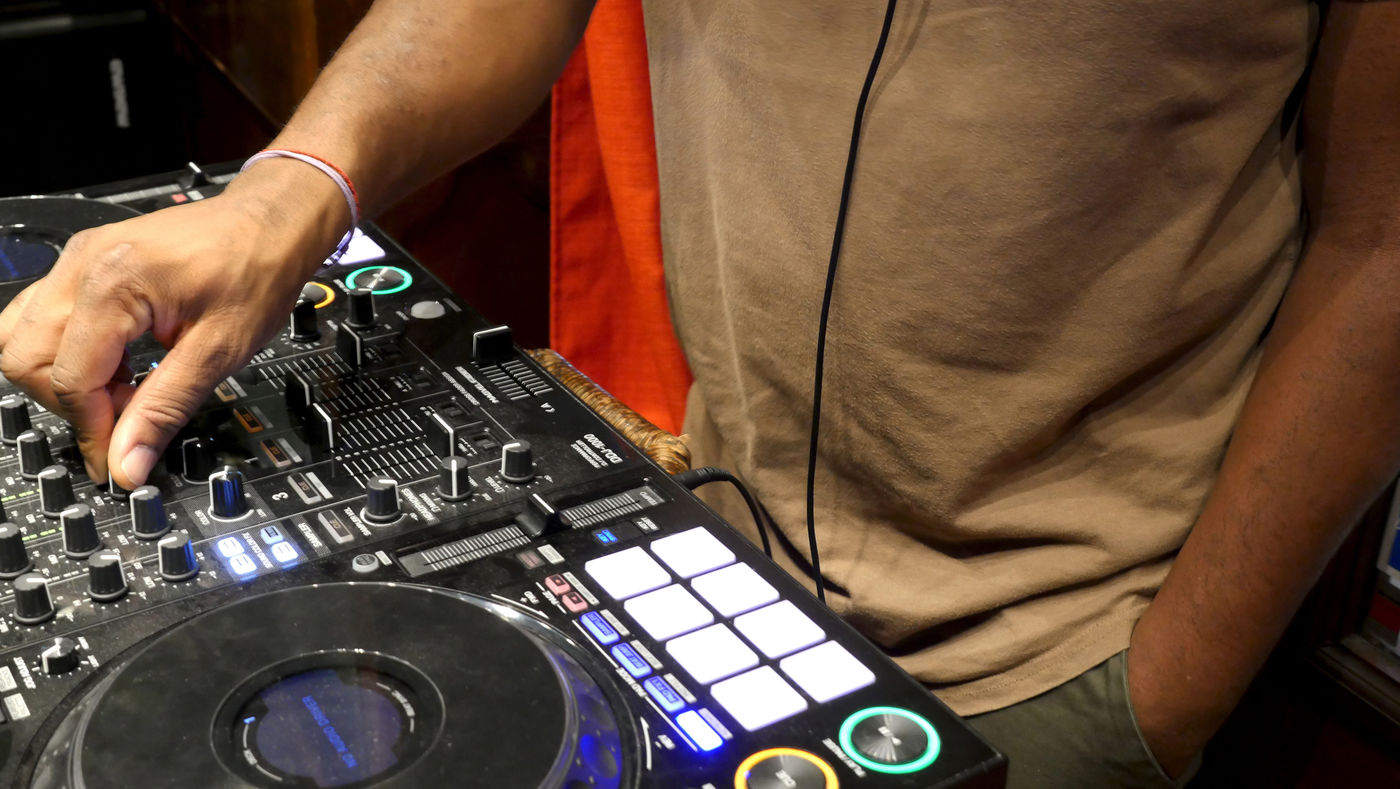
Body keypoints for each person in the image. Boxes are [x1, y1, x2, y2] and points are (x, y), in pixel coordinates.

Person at [2, 1, 1398, 785]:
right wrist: (289, 191)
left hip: (1069, 649)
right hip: (700, 556)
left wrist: (1163, 694)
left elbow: (1384, 237)